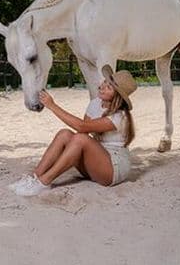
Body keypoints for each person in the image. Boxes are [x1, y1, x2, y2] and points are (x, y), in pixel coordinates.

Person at [10, 65, 137, 196]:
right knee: (64, 134)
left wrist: (52, 106)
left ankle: (44, 182)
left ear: (117, 96)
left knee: (80, 138)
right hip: (96, 160)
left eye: (109, 87)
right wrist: (67, 152)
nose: (103, 86)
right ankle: (34, 178)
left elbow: (82, 127)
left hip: (114, 167)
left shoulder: (120, 117)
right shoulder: (95, 103)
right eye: (105, 82)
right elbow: (83, 132)